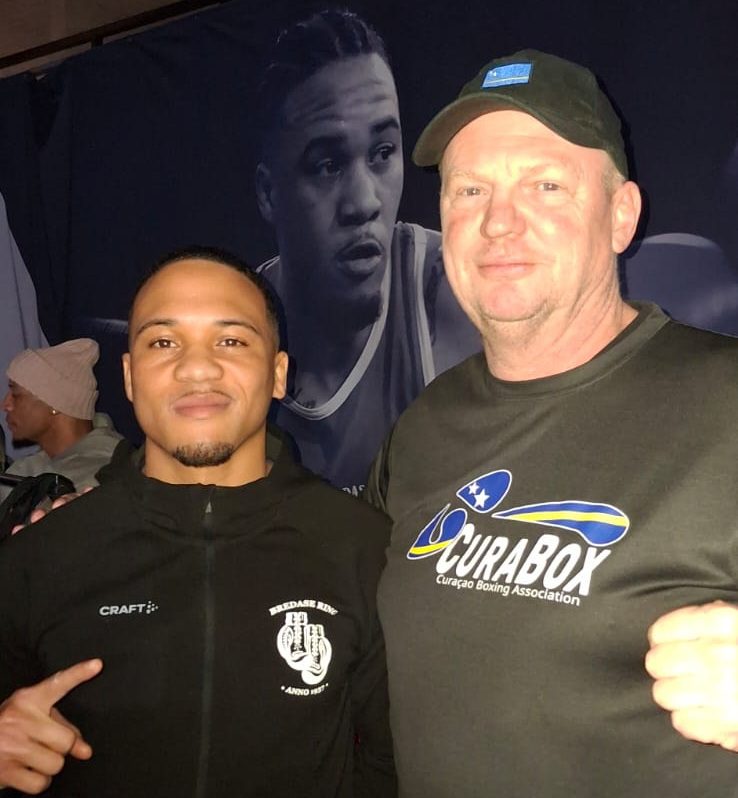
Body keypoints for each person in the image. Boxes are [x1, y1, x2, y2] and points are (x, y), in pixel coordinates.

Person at [366, 49, 738, 796]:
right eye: (471, 190)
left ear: (621, 215)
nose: (499, 221)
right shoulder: (423, 426)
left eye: (545, 185)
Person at [0, 247, 395, 796]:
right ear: (129, 377)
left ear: (278, 374)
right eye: (163, 342)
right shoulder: (38, 557)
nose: (197, 368)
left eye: (231, 341)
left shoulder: (364, 550)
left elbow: (392, 765)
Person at [255, 9, 480, 495]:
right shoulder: (235, 331)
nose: (364, 202)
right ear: (269, 194)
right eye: (327, 164)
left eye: (382, 153)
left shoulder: (452, 294)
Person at [1, 339, 122, 502]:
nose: (5, 405)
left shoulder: (101, 478)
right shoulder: (30, 467)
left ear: (55, 404)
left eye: (16, 395)